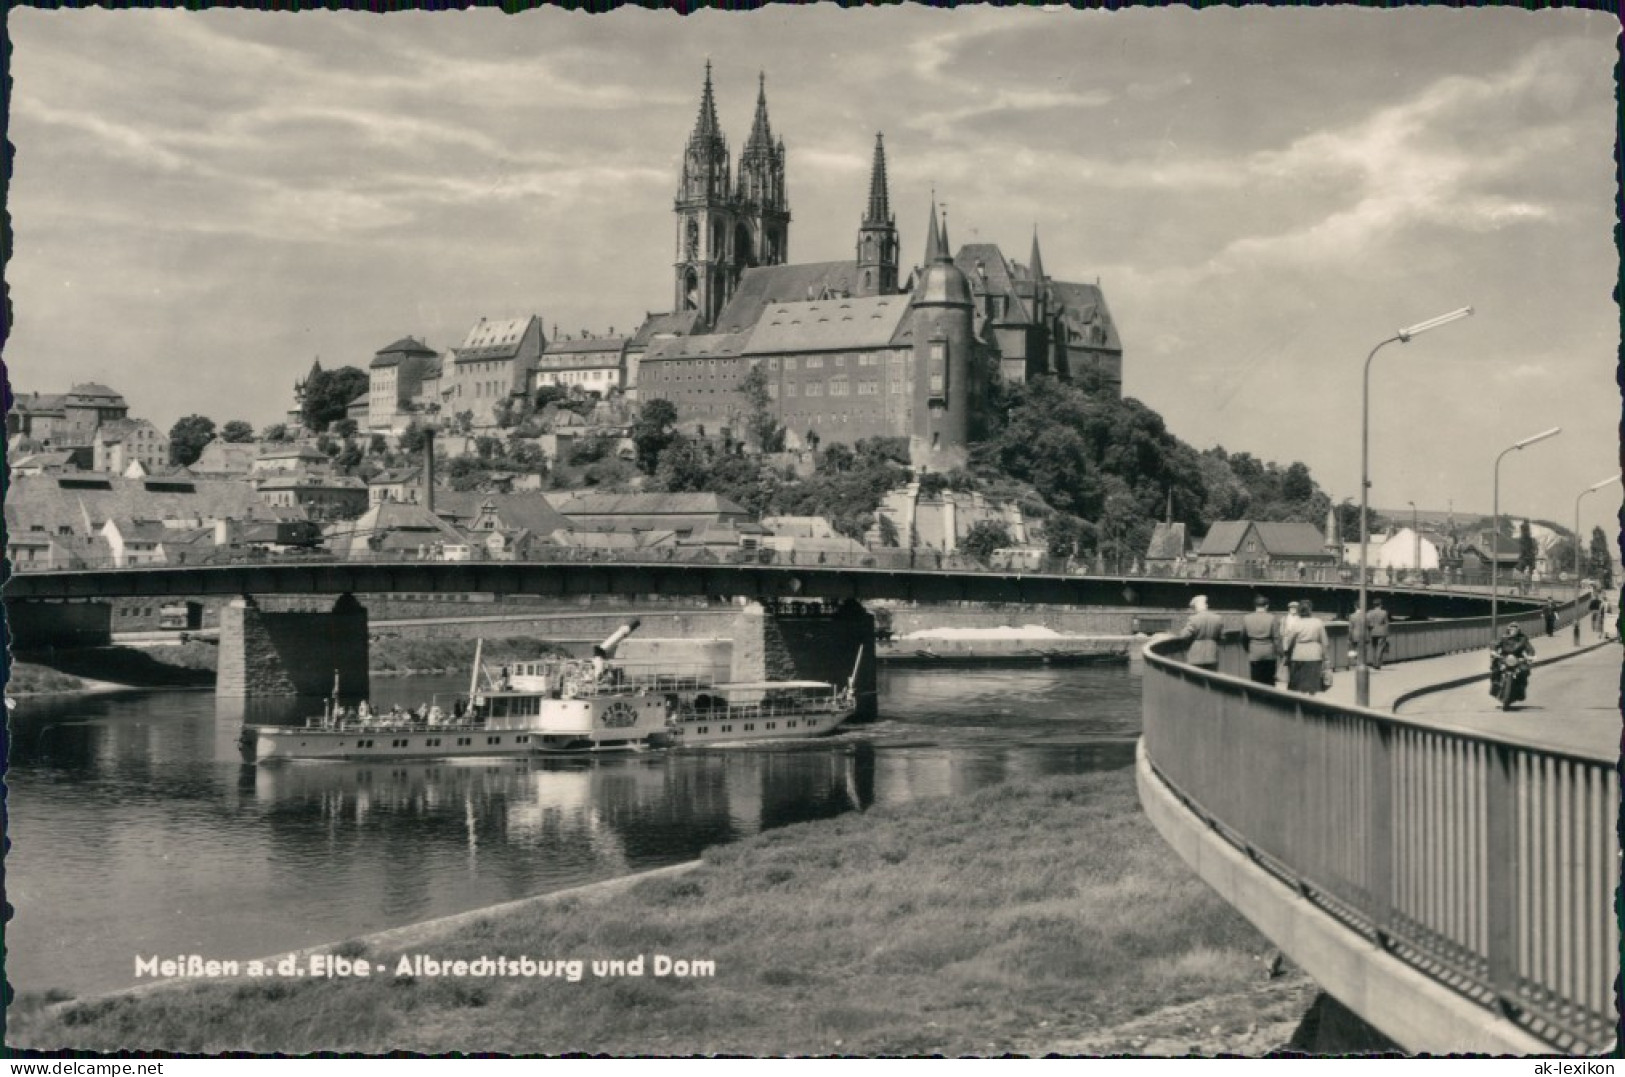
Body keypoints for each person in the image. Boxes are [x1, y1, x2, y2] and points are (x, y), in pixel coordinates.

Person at [1283, 598, 1330, 694]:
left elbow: (1290, 641)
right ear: (1311, 610)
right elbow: (1325, 642)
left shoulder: (1297, 623)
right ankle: (1311, 700)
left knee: (1300, 684)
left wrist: (1288, 654)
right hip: (1314, 655)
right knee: (1313, 684)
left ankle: (1302, 702)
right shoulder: (1318, 622)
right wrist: (1326, 658)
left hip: (1298, 655)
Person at [1241, 595, 1282, 686]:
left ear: (1255, 605)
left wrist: (1248, 649)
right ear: (1266, 606)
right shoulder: (1272, 618)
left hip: (1254, 652)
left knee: (1256, 681)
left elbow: (1243, 637)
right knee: (1269, 681)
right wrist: (1280, 653)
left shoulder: (1247, 618)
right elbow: (1276, 638)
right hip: (1269, 654)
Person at [1490, 625, 1535, 704]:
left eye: (1515, 629)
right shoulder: (1504, 637)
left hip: (1518, 659)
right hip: (1504, 657)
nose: (1513, 630)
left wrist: (1530, 656)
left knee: (1524, 670)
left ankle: (1521, 689)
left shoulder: (1523, 639)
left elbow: (1529, 648)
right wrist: (1494, 651)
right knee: (1496, 669)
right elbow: (1496, 644)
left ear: (1518, 630)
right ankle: (1495, 685)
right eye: (1511, 629)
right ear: (1508, 630)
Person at [1179, 594, 1225, 671]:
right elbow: (1222, 637)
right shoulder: (1217, 618)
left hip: (1196, 656)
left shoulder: (1193, 619)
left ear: (1196, 607)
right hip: (1212, 655)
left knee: (1196, 680)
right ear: (1206, 605)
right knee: (1211, 678)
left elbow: (1184, 635)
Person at [1367, 598, 1390, 669]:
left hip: (1373, 631)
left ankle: (1374, 663)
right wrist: (1387, 633)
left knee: (1374, 648)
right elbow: (1386, 623)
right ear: (1380, 605)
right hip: (1382, 632)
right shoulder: (1384, 612)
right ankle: (1378, 663)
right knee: (1380, 648)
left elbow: (1368, 622)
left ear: (1374, 605)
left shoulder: (1370, 612)